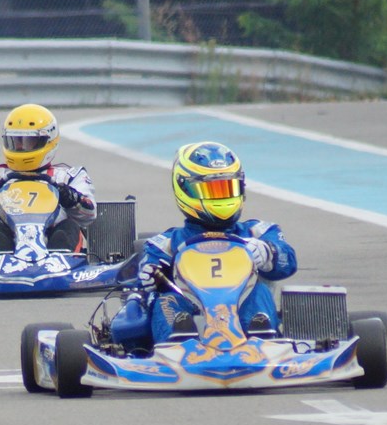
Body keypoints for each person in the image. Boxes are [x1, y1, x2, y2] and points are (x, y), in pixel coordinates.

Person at [109, 141, 296, 350]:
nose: (221, 197)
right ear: (185, 189)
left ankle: (261, 337)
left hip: (243, 313)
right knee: (166, 300)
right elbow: (144, 274)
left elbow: (287, 261)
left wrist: (269, 252)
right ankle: (176, 343)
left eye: (228, 188)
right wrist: (152, 276)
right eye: (212, 190)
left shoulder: (258, 233)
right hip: (193, 311)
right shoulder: (167, 243)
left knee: (259, 292)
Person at [0, 103, 97, 263]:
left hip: (55, 246)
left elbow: (89, 216)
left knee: (69, 227)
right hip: (9, 247)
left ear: (48, 141)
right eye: (15, 141)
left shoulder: (68, 176)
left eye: (28, 142)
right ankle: (2, 266)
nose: (21, 147)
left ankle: (59, 265)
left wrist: (71, 198)